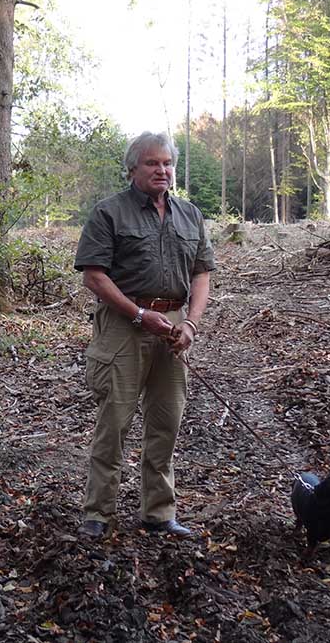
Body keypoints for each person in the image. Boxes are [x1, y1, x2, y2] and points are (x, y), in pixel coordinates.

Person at [74, 131, 215, 539]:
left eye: (167, 163)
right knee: (114, 422)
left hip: (172, 327)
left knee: (166, 422)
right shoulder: (109, 213)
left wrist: (190, 324)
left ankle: (158, 513)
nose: (162, 170)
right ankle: (98, 515)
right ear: (133, 167)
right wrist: (138, 315)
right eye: (152, 163)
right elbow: (94, 277)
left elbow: (202, 273)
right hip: (123, 325)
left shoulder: (189, 215)